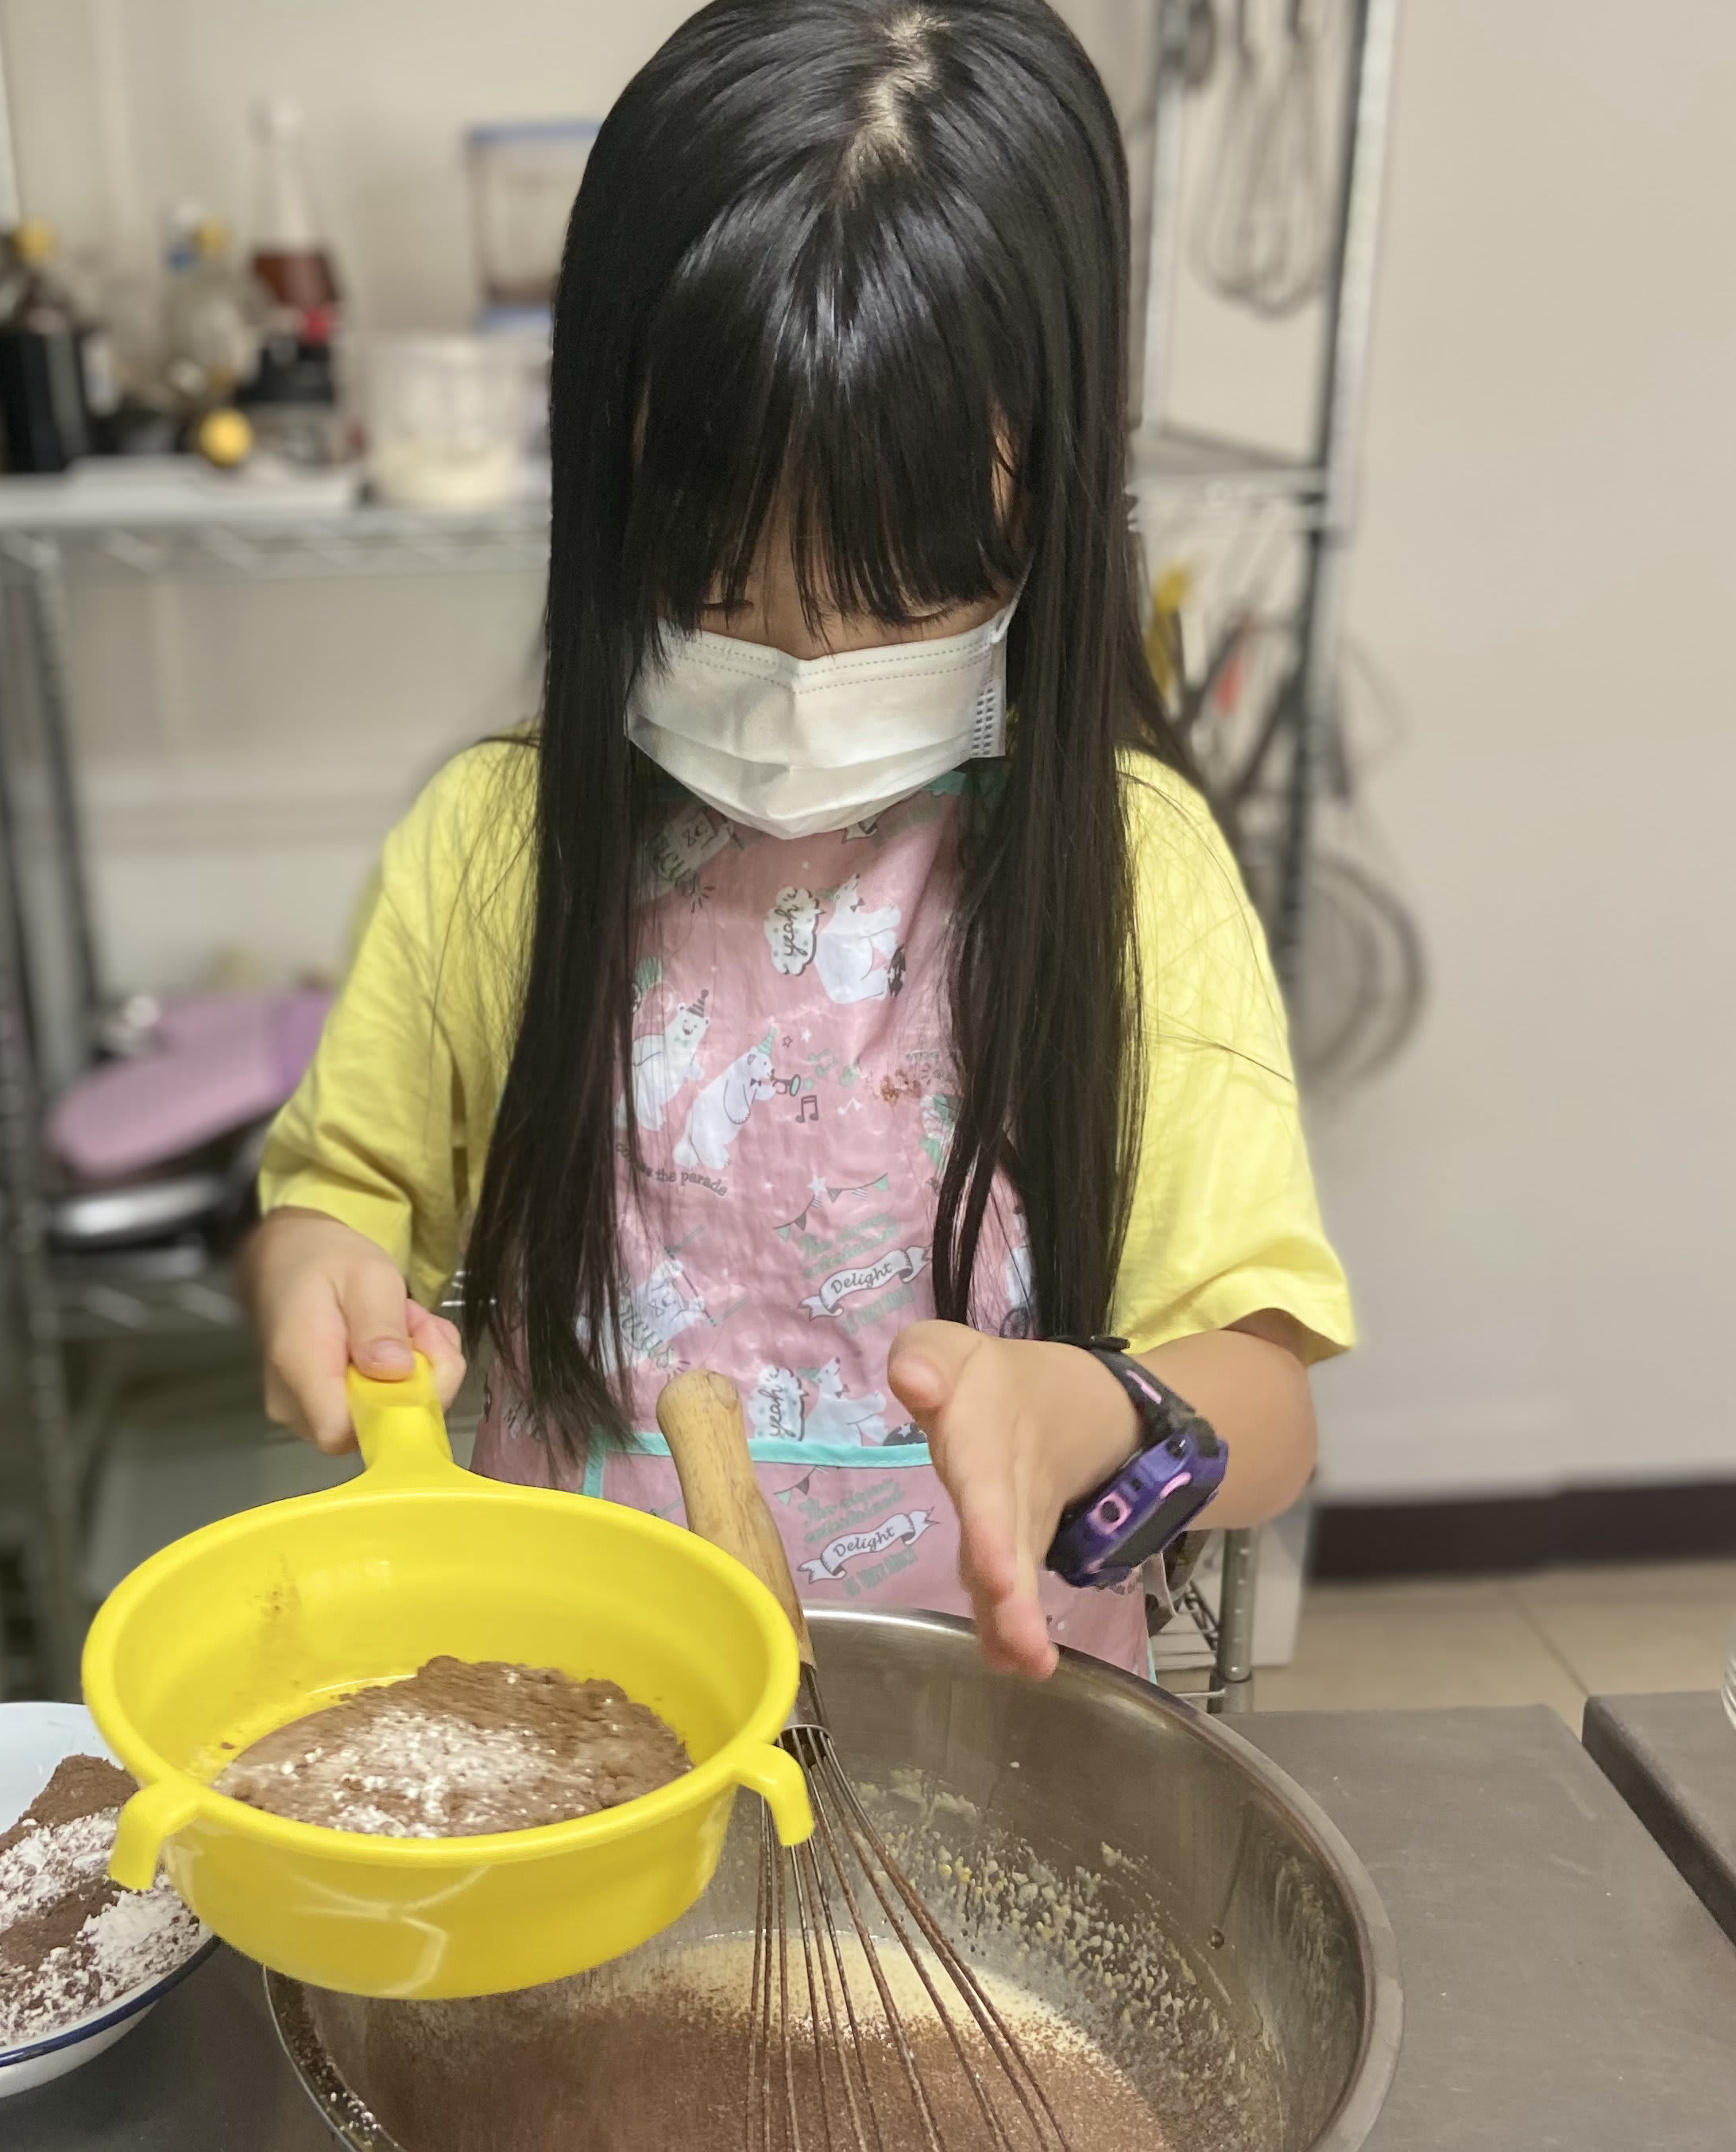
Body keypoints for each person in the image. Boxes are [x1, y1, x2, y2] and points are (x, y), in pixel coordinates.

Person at [243, 0, 1352, 1683]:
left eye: (902, 599)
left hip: (996, 1725)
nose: (800, 672)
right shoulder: (495, 846)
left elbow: (1264, 1404)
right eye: (708, 592)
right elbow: (346, 1190)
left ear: (1049, 508)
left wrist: (1087, 1406)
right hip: (584, 1690)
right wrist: (318, 1266)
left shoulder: (1127, 873)